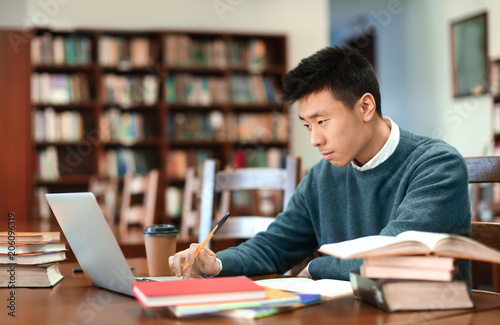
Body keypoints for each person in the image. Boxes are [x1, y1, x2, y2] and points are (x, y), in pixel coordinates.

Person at [169, 46, 471, 282]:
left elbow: (390, 256)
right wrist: (217, 262)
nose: (315, 139)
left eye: (322, 121)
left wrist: (316, 267)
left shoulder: (437, 166)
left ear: (366, 106)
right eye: (307, 125)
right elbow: (276, 245)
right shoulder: (322, 177)